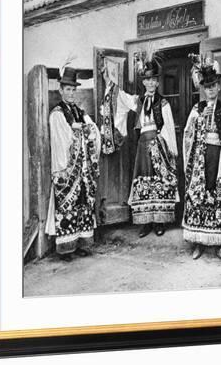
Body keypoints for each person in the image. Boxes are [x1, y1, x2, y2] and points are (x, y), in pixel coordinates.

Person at [101, 50, 179, 238]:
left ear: (158, 82)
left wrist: (169, 151)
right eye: (148, 80)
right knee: (144, 180)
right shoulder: (139, 101)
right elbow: (119, 97)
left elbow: (168, 127)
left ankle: (159, 221)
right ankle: (146, 222)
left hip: (159, 144)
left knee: (159, 181)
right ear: (143, 82)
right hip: (143, 146)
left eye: (154, 80)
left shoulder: (164, 104)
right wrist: (108, 83)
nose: (151, 83)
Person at [182, 54, 221, 260]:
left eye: (213, 85)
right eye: (206, 86)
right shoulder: (196, 109)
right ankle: (198, 241)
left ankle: (220, 242)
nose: (210, 89)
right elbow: (188, 134)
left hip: (216, 155)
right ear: (203, 88)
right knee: (198, 194)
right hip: (199, 156)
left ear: (219, 87)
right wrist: (199, 122)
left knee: (215, 193)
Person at [45, 66, 101, 262]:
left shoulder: (79, 111)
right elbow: (62, 139)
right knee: (68, 204)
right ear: (61, 90)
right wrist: (78, 131)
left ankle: (80, 243)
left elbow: (92, 129)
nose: (70, 93)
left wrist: (84, 129)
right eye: (67, 89)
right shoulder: (57, 113)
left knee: (83, 202)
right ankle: (66, 247)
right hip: (68, 170)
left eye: (72, 89)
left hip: (83, 168)